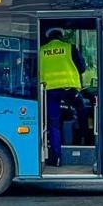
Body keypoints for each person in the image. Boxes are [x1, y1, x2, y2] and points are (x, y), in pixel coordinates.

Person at [39, 28, 85, 165]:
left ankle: (57, 158)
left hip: (50, 92)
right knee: (82, 111)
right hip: (69, 90)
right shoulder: (69, 48)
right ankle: (83, 140)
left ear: (49, 37)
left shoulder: (41, 50)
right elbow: (82, 68)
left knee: (54, 124)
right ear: (61, 37)